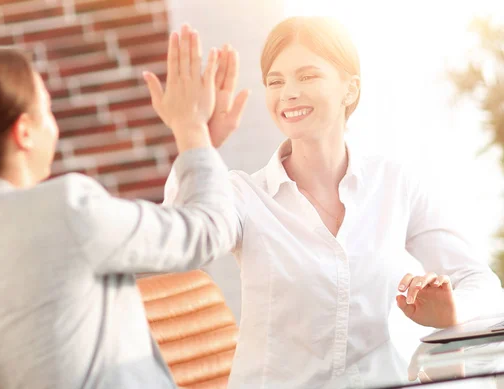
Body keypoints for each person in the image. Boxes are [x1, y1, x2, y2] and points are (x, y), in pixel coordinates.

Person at [164, 16, 503, 388]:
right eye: (275, 81)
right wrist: (197, 143)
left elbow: (481, 283)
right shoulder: (244, 196)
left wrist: (453, 311)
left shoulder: (394, 184)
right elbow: (178, 248)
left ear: (350, 89)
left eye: (307, 76)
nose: (288, 92)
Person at [0, 26, 239, 389]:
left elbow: (155, 243)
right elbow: (211, 231)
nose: (55, 127)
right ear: (25, 132)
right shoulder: (65, 210)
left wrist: (200, 147)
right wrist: (190, 128)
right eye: (47, 110)